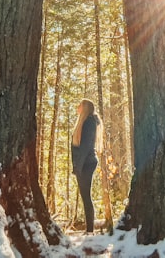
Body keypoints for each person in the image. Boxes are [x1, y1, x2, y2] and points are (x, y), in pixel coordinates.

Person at [71, 98, 102, 235]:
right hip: (84, 163)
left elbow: (85, 146)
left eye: (80, 105)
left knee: (86, 197)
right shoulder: (86, 122)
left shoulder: (89, 122)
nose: (77, 107)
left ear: (85, 108)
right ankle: (89, 229)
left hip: (86, 164)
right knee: (85, 196)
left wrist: (78, 166)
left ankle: (90, 230)